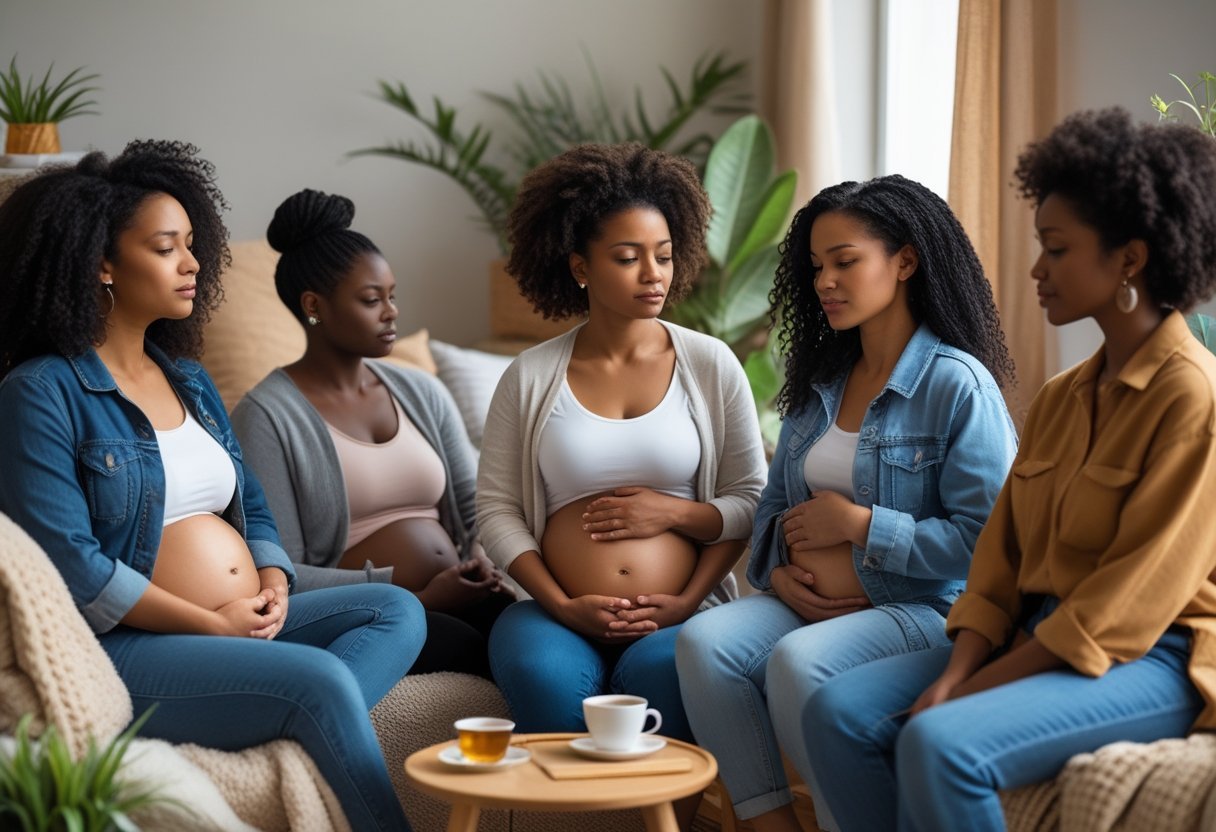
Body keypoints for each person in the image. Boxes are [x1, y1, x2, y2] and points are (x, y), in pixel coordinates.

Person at [800, 108, 1216, 832]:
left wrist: (972, 691)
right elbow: (996, 564)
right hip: (1036, 634)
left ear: (1130, 259)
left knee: (941, 742)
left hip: (1156, 657)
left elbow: (1124, 611)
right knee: (837, 712)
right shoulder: (1063, 397)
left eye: (1056, 250)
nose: (1035, 271)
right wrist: (959, 670)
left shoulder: (1194, 397)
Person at [0, 142, 422, 832]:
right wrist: (210, 624)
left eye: (192, 244)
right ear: (102, 264)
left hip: (241, 619)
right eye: (167, 248)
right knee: (318, 683)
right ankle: (308, 717)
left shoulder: (188, 380)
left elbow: (250, 505)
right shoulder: (40, 393)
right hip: (127, 647)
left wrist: (274, 580)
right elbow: (71, 566)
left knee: (395, 610)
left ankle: (287, 716)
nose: (194, 264)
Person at [675, 174, 1018, 832]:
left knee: (800, 663)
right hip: (814, 604)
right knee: (706, 641)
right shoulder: (822, 384)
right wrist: (777, 575)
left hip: (924, 608)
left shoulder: (957, 384)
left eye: (845, 262)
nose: (824, 281)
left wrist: (861, 525)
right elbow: (774, 510)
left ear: (905, 261)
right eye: (815, 267)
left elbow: (989, 544)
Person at [476, 143, 767, 766]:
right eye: (628, 258)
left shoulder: (710, 364)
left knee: (672, 676)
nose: (653, 274)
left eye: (663, 256)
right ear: (581, 267)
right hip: (554, 610)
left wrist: (676, 531)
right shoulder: (529, 376)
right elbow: (496, 509)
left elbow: (752, 497)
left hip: (681, 610)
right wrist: (559, 603)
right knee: (543, 680)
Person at [232, 188, 513, 679]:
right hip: (376, 613)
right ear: (314, 305)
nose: (391, 313)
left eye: (392, 296)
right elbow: (282, 568)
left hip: (465, 593)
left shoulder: (421, 390)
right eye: (370, 300)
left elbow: (478, 503)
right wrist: (416, 593)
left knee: (536, 630)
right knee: (473, 645)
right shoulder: (266, 415)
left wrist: (481, 561)